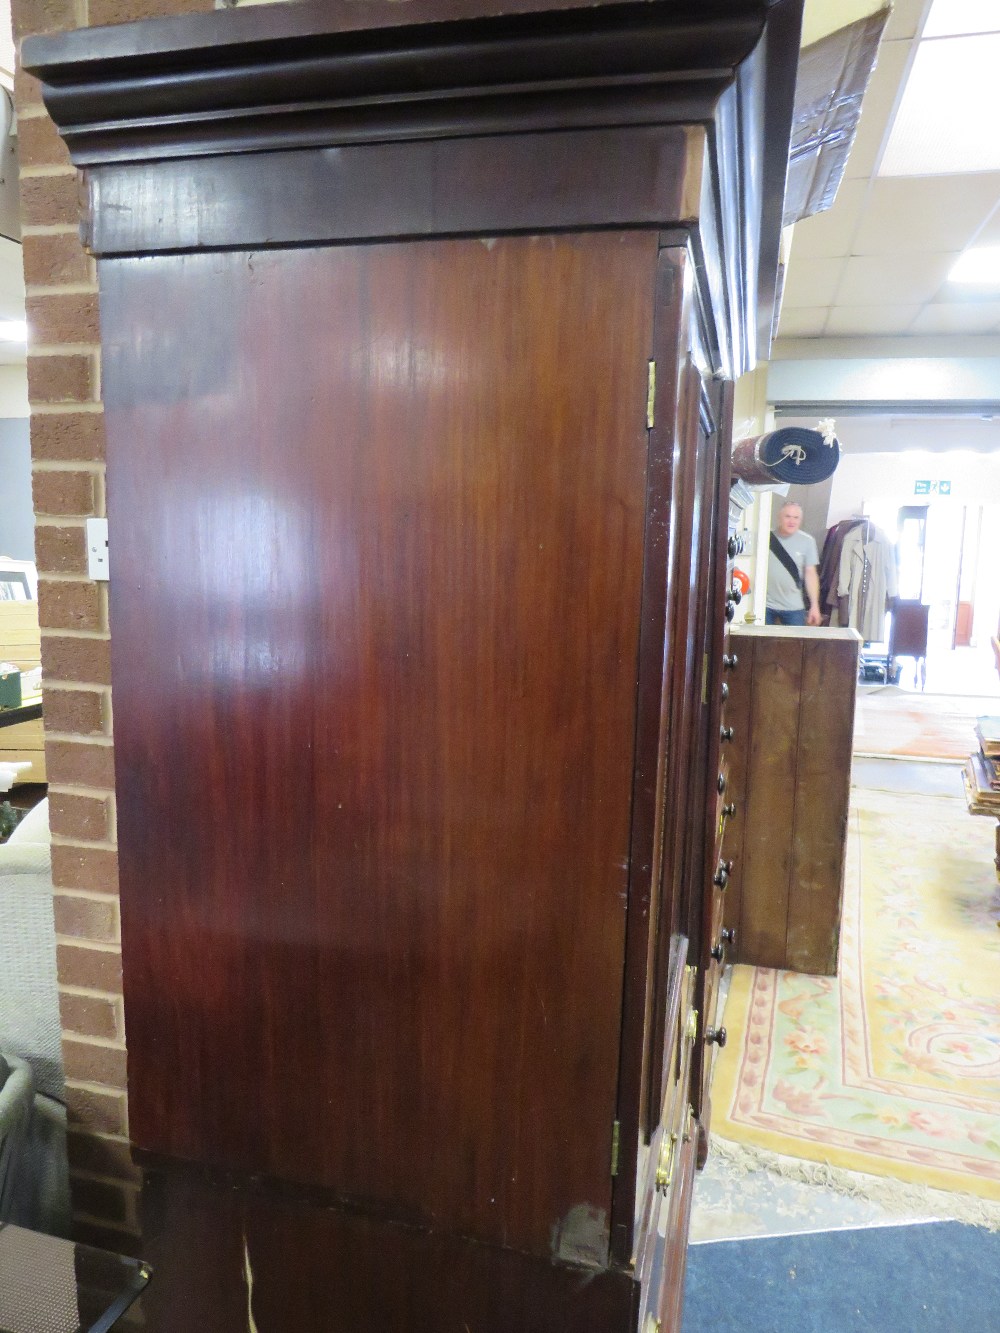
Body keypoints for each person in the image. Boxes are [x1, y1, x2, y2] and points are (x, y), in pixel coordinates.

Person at [765, 501, 821, 626]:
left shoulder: (808, 541)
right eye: (788, 516)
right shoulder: (765, 537)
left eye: (796, 517)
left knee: (795, 644)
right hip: (765, 605)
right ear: (780, 517)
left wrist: (814, 606)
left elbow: (811, 574)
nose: (792, 521)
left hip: (794, 608)